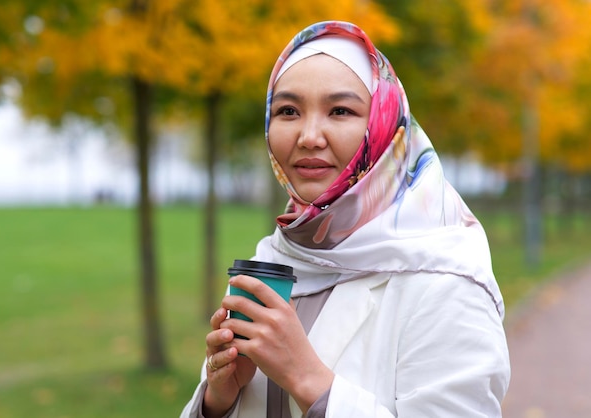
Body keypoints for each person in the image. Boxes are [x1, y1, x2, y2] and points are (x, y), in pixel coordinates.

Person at [181, 20, 510, 418]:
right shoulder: (276, 258)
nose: (309, 136)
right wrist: (218, 401)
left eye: (340, 110)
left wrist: (309, 380)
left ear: (384, 124)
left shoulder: (448, 281)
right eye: (288, 111)